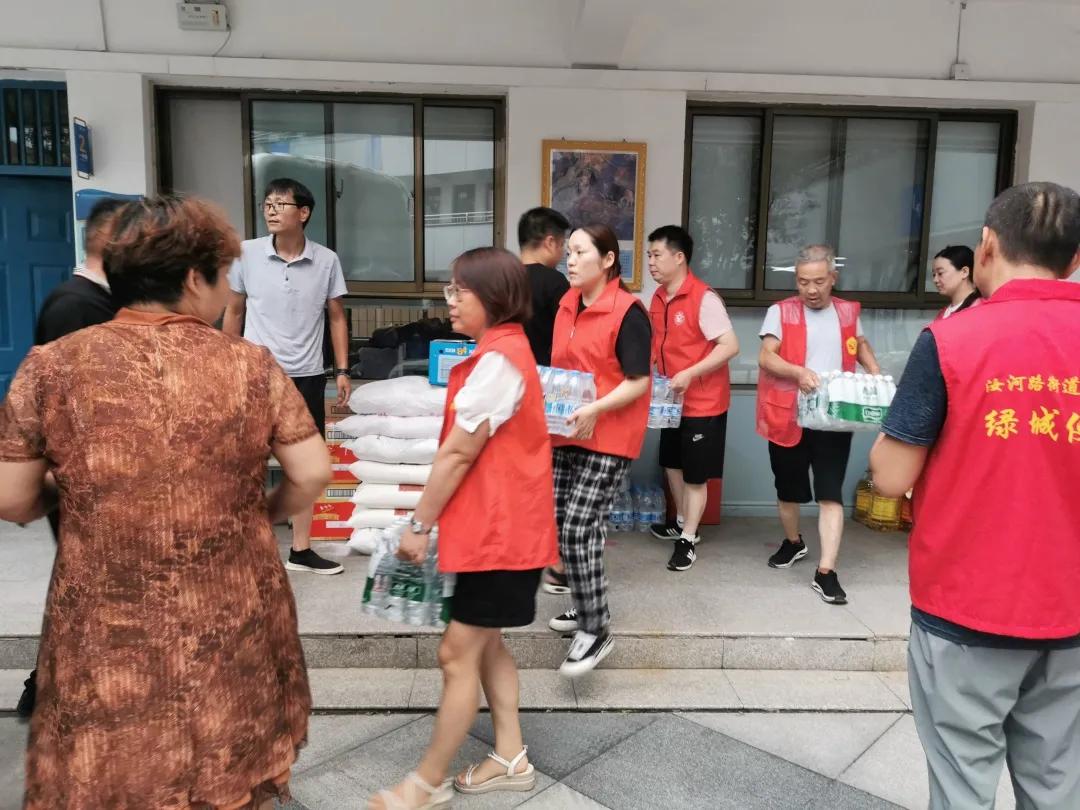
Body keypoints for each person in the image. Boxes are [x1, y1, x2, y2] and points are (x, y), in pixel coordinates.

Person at [0, 195, 330, 809]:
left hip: (105, 612)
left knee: (110, 761)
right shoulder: (250, 366)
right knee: (226, 753)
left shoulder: (50, 366)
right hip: (229, 603)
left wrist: (90, 484)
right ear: (191, 278)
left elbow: (13, 500)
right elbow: (312, 473)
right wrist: (258, 511)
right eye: (224, 276)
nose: (227, 291)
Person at [870, 182, 1080, 810]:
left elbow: (890, 477)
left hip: (966, 608)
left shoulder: (952, 340)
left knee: (962, 786)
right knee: (1059, 786)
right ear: (1073, 260)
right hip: (1071, 611)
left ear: (986, 247)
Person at [369, 248, 557, 810]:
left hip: (501, 536)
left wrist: (418, 525)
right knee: (487, 643)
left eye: (458, 292)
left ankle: (423, 785)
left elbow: (456, 455)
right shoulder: (501, 353)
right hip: (499, 531)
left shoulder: (499, 361)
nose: (448, 303)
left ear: (491, 297)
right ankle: (510, 757)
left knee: (456, 655)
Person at [15, 196, 127, 719]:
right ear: (117, 243)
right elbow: (79, 410)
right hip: (86, 484)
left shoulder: (96, 302)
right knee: (89, 592)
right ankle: (51, 692)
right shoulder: (77, 307)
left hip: (99, 482)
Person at [224, 177, 350, 576]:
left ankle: (300, 549)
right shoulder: (245, 254)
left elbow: (336, 317)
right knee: (247, 462)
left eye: (280, 204)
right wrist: (223, 365)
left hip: (308, 376)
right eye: (267, 204)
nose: (271, 211)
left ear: (304, 212)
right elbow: (234, 312)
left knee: (305, 465)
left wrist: (342, 370)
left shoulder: (326, 260)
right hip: (255, 374)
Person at [547, 225, 651, 677]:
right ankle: (586, 606)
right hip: (565, 432)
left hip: (609, 436)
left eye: (580, 252)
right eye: (568, 252)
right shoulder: (566, 304)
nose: (570, 260)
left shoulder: (628, 311)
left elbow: (639, 380)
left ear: (607, 260)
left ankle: (596, 628)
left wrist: (595, 409)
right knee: (563, 524)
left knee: (578, 527)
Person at [756, 244, 881, 604]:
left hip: (834, 418)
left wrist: (873, 371)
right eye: (803, 282)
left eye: (819, 281)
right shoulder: (780, 312)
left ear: (833, 278)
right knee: (788, 490)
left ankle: (826, 571)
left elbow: (860, 344)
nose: (811, 290)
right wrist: (798, 372)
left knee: (830, 492)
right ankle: (793, 542)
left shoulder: (848, 312)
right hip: (787, 415)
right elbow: (766, 356)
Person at [646, 225, 739, 572]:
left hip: (703, 401)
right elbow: (659, 344)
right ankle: (682, 520)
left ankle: (688, 538)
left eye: (657, 255)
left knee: (696, 475)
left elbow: (730, 346)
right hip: (670, 400)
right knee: (672, 462)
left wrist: (690, 373)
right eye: (650, 256)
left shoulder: (704, 298)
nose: (651, 263)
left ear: (679, 257)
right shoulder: (657, 298)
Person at [518, 206, 570, 366]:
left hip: (505, 372)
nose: (562, 253)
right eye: (562, 245)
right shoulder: (555, 281)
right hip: (542, 375)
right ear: (550, 243)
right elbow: (567, 337)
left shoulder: (503, 277)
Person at [931, 244, 981, 319]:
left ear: (964, 272)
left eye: (940, 273)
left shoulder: (978, 310)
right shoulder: (943, 313)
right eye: (934, 275)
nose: (935, 280)